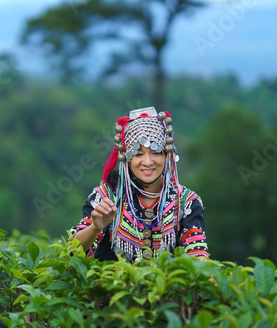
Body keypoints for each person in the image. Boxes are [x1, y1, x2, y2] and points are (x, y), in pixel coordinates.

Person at [69, 107, 208, 262]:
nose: (147, 162)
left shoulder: (185, 202)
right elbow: (73, 253)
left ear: (167, 155)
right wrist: (95, 228)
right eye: (138, 154)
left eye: (156, 152)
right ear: (127, 159)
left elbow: (197, 256)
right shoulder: (107, 196)